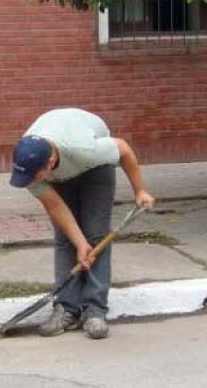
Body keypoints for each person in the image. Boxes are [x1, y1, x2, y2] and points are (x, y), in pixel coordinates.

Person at [9, 108, 155, 339]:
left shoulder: (85, 150)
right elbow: (56, 206)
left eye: (35, 176)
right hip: (61, 164)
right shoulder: (29, 166)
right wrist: (79, 244)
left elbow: (123, 148)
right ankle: (66, 307)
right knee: (66, 238)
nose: (30, 182)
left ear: (50, 162)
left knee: (96, 234)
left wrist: (140, 190)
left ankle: (94, 310)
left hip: (94, 167)